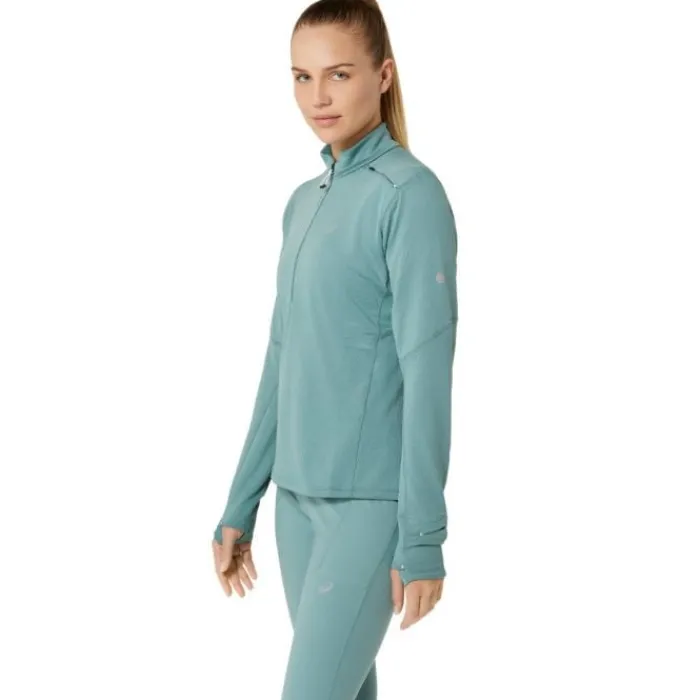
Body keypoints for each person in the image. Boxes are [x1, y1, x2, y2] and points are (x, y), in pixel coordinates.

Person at [211, 1, 458, 697]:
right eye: (302, 76)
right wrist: (241, 502)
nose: (317, 96)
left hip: (369, 507)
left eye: (338, 74)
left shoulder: (410, 196)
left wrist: (423, 535)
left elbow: (427, 369)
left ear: (383, 76)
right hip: (295, 504)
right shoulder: (303, 202)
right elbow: (281, 358)